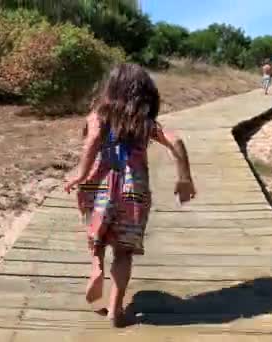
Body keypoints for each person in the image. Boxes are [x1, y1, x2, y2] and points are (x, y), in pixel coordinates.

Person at [64, 63, 197, 327]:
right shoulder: (144, 123)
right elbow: (176, 141)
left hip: (100, 182)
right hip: (132, 189)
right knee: (123, 251)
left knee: (97, 232)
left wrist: (80, 174)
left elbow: (92, 142)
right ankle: (116, 309)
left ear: (111, 87)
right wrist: (184, 178)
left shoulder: (99, 114)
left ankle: (96, 266)